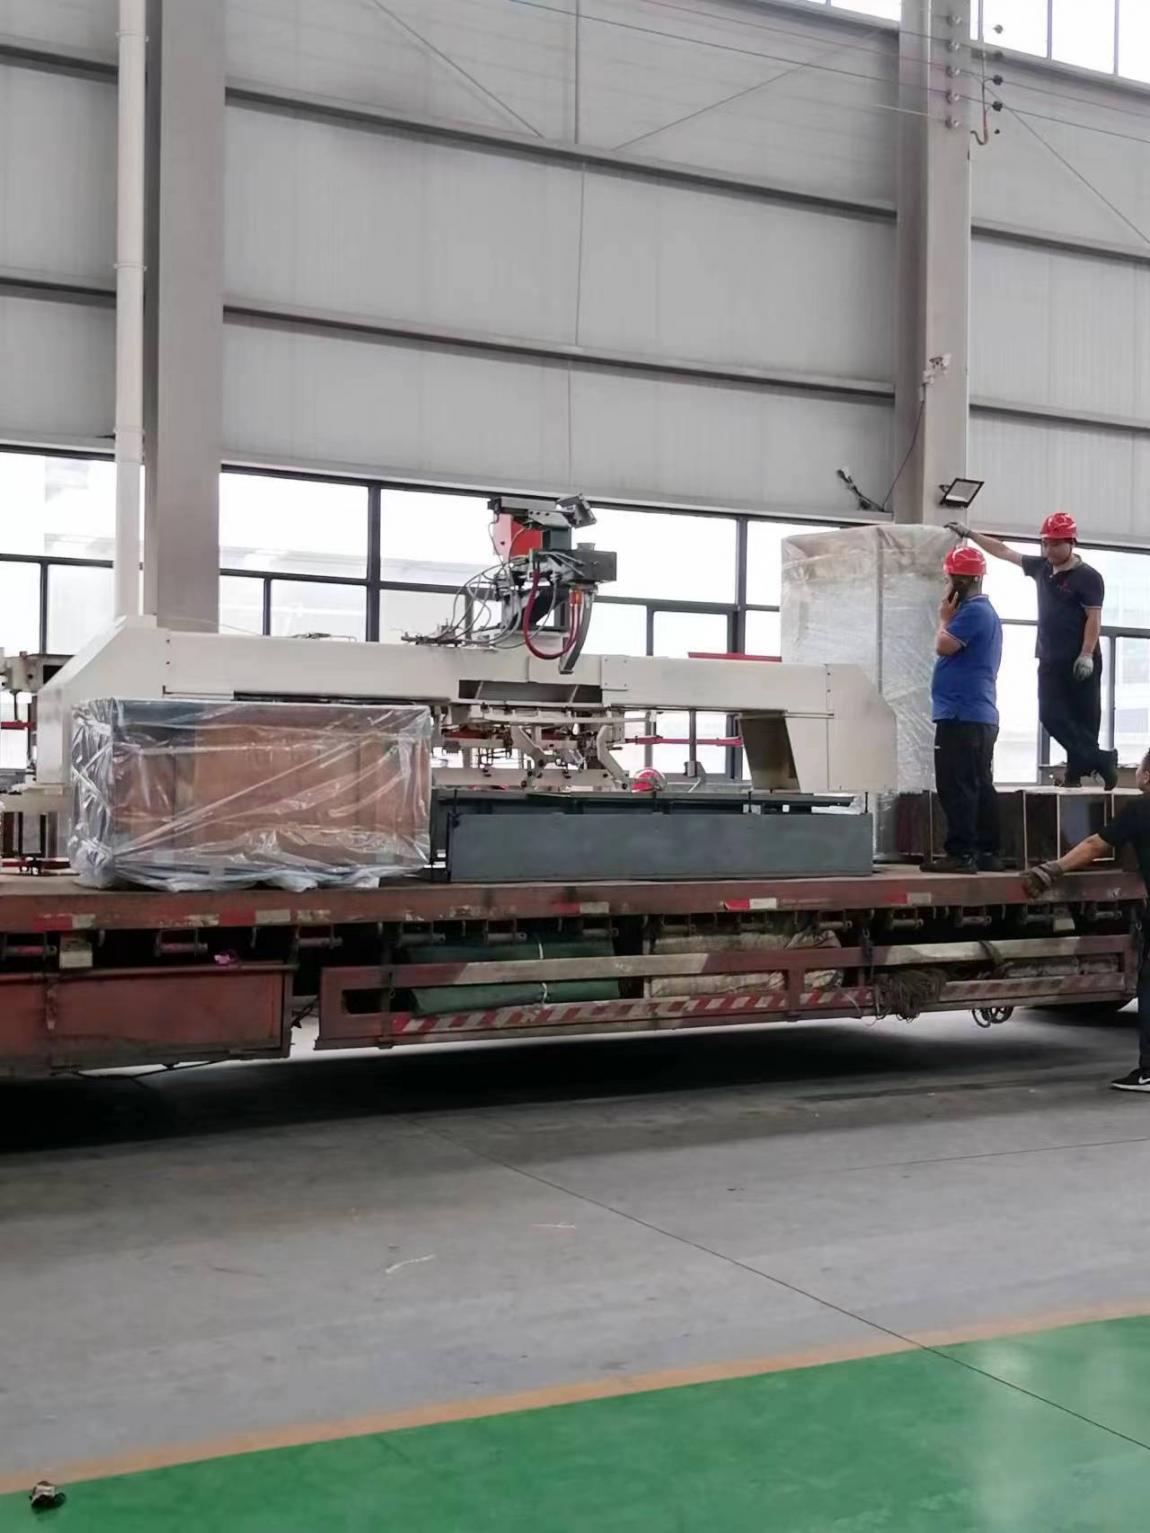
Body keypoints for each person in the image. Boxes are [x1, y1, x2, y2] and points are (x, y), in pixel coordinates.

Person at [945, 512, 1118, 789]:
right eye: (1045, 543)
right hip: (1049, 658)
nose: (1048, 550)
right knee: (1051, 715)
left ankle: (1074, 775)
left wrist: (1086, 653)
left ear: (1071, 543)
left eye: (1055, 544)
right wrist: (971, 534)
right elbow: (1004, 551)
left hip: (1080, 659)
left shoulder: (1088, 578)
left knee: (1083, 719)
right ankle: (1101, 760)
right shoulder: (1042, 568)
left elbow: (1093, 619)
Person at [1025, 747, 1150, 1091]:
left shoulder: (1141, 809)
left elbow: (1097, 845)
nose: (1137, 776)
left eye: (1140, 770)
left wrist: (1054, 869)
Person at [923, 544, 1003, 875]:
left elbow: (943, 646)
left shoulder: (973, 613)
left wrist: (944, 618)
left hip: (961, 714)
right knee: (979, 783)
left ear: (962, 583)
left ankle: (961, 853)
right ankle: (987, 851)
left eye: (948, 580)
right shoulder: (987, 613)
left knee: (956, 785)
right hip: (977, 715)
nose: (945, 587)